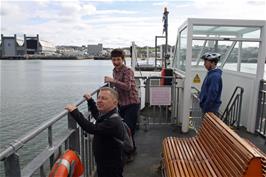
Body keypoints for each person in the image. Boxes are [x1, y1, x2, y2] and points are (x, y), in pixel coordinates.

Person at [65, 87, 124, 177]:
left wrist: (75, 111)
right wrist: (90, 101)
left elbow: (91, 128)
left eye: (104, 98)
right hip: (104, 161)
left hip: (111, 166)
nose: (99, 101)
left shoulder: (113, 122)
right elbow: (97, 115)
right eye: (98, 97)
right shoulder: (108, 114)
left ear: (115, 103)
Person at [104, 49, 140, 159]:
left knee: (129, 128)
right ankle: (127, 149)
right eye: (114, 60)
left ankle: (131, 152)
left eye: (118, 59)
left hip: (132, 103)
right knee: (122, 128)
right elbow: (117, 87)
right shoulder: (114, 70)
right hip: (121, 103)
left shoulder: (128, 70)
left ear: (123, 59)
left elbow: (127, 87)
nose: (116, 62)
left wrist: (113, 81)